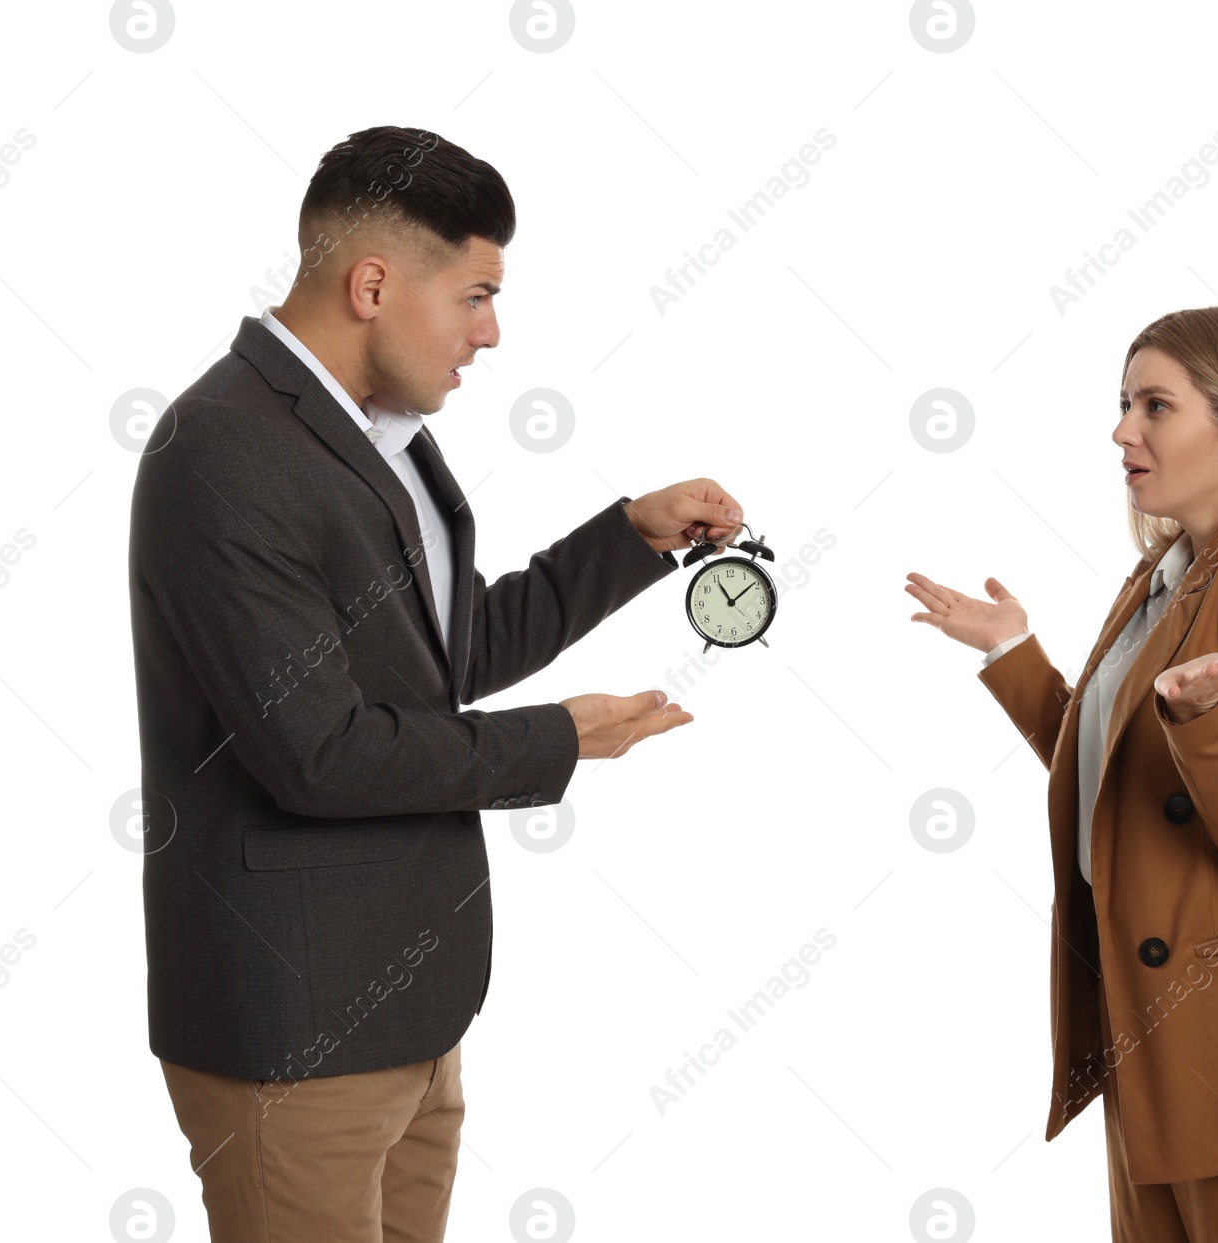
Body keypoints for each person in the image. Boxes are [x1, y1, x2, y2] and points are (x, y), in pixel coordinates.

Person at [128, 125, 745, 1241]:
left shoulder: (381, 437)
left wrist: (628, 541)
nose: (490, 332)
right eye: (474, 295)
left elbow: (436, 660)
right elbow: (319, 753)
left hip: (411, 1013)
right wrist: (557, 738)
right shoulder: (221, 446)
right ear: (372, 284)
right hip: (297, 1028)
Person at [906, 303, 1218, 1241]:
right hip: (1158, 1042)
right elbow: (1118, 789)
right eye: (1124, 402)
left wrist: (1202, 722)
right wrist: (1013, 653)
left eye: (1154, 405)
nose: (1123, 430)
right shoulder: (1168, 572)